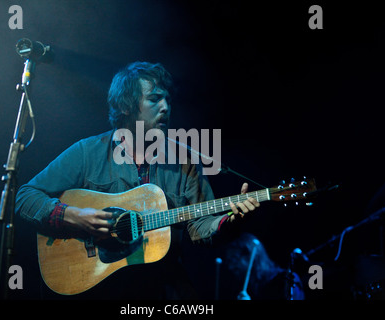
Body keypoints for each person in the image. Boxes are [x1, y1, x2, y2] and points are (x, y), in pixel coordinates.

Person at [15, 61, 260, 299]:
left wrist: (230, 221)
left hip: (159, 286)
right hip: (100, 287)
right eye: (154, 99)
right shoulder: (87, 153)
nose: (166, 107)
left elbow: (200, 228)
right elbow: (25, 197)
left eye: (168, 100)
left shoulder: (185, 162)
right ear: (126, 106)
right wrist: (75, 217)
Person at [219, 233, 305, 300]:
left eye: (234, 260)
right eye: (229, 262)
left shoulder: (286, 280)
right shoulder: (243, 289)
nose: (230, 266)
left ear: (251, 256)